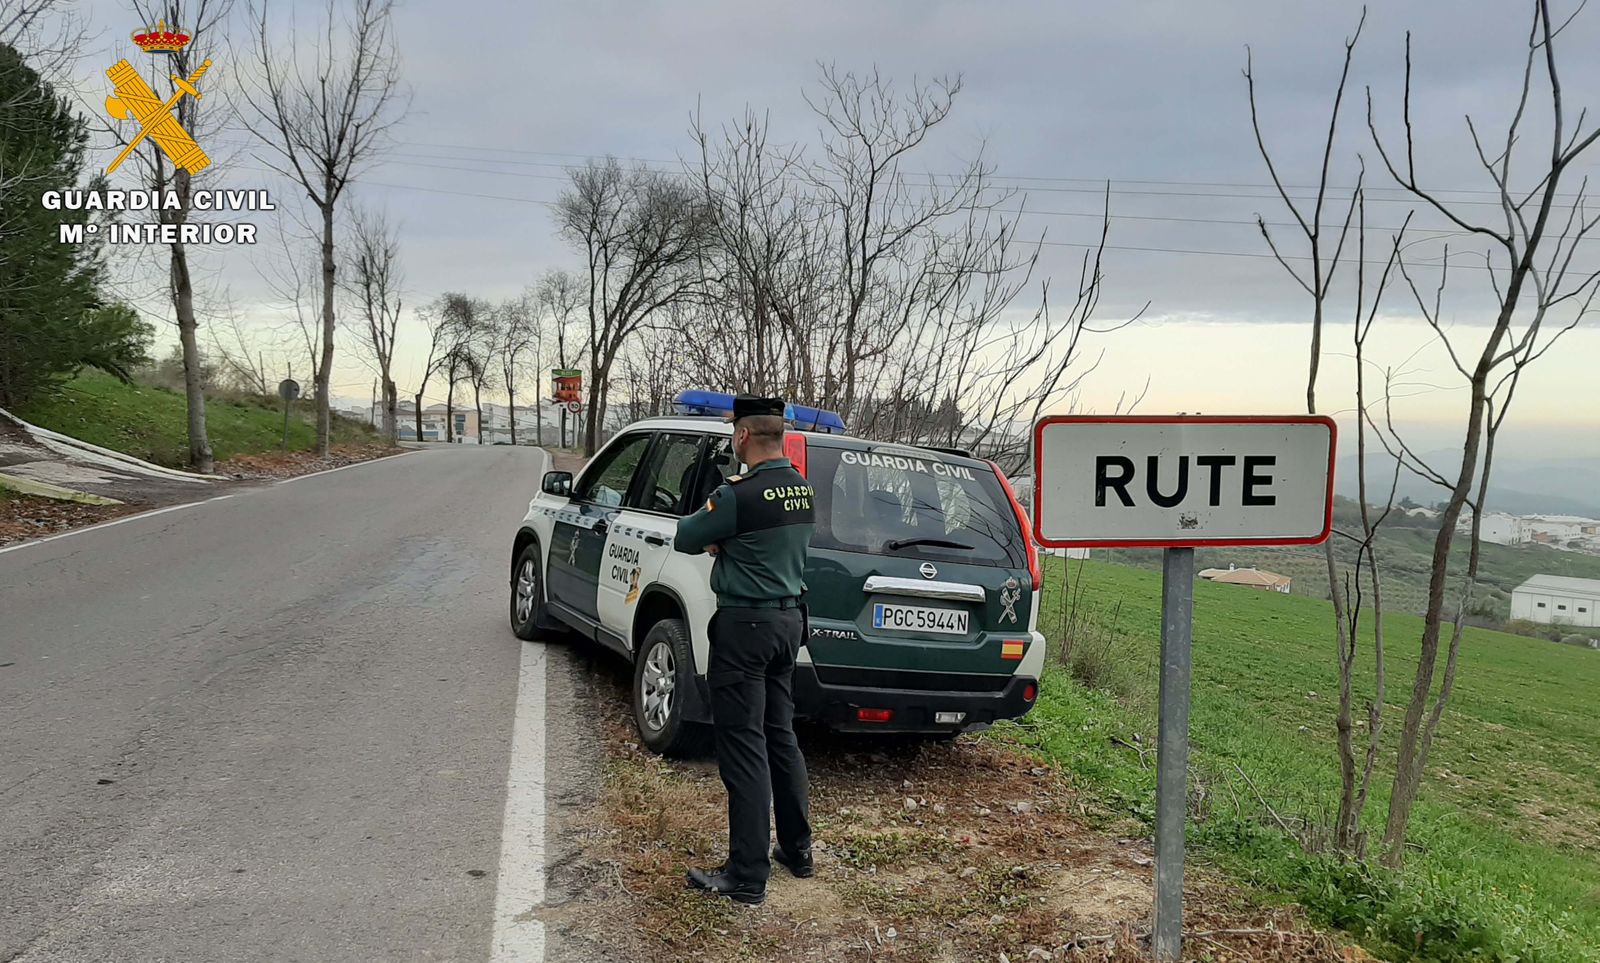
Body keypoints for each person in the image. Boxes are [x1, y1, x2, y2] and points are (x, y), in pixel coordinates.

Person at [674, 394, 816, 905]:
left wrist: (722, 540)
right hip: (787, 624)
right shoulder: (803, 490)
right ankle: (797, 851)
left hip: (745, 627)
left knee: (742, 746)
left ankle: (747, 873)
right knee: (781, 736)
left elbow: (686, 536)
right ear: (780, 435)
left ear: (740, 437)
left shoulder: (737, 495)